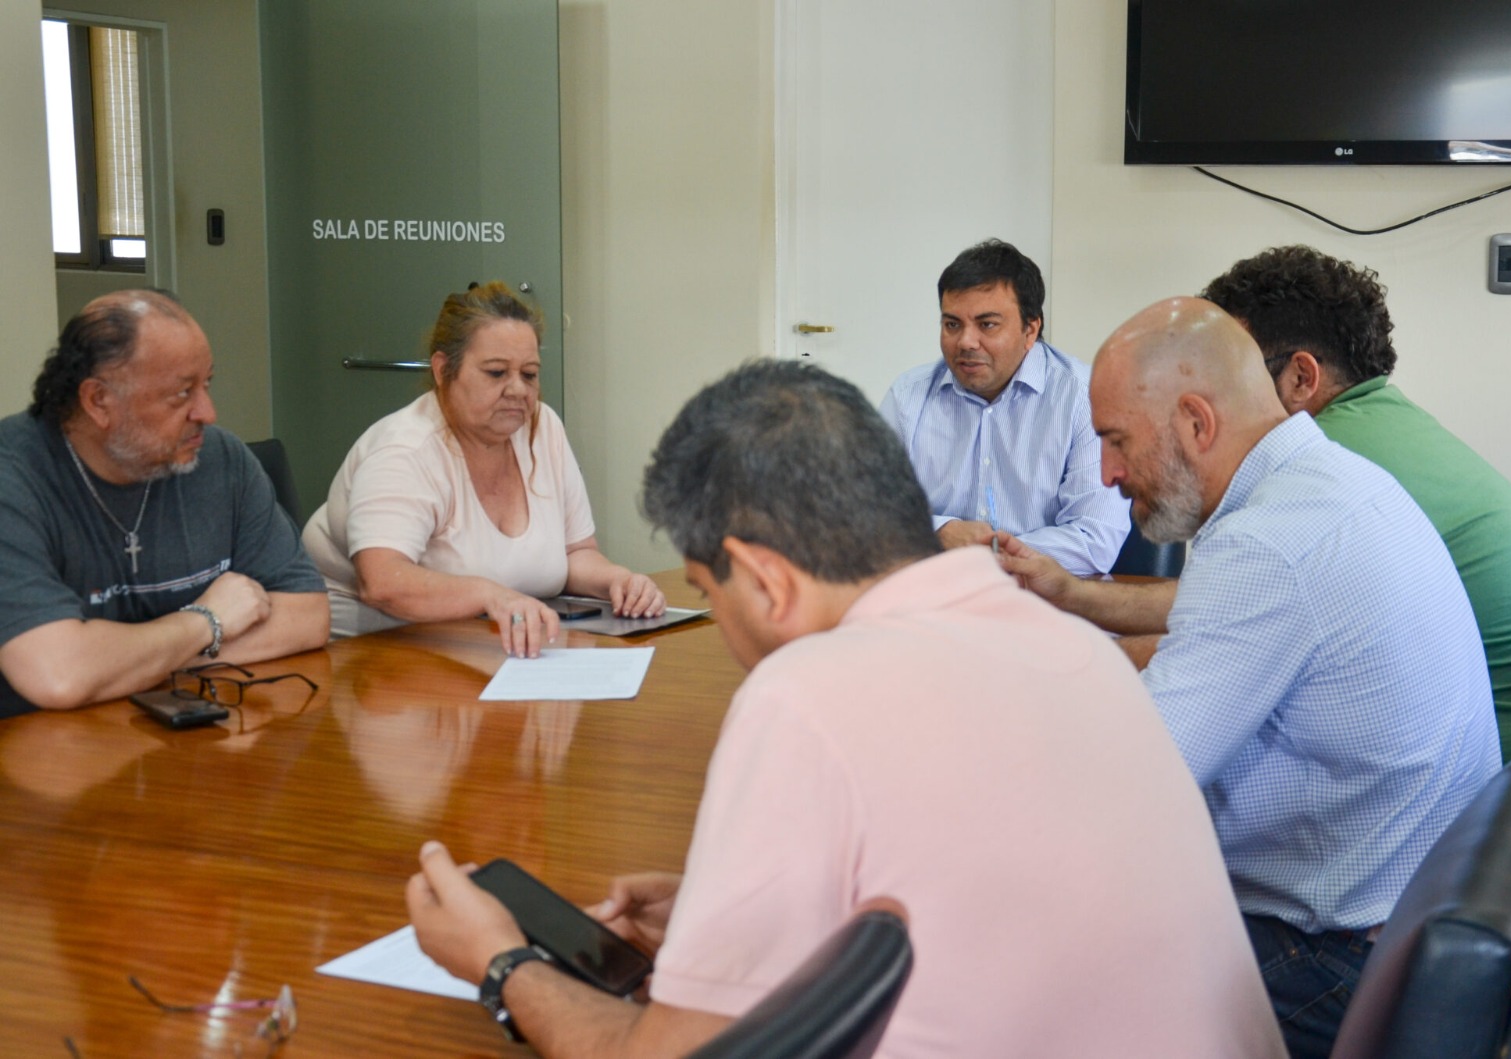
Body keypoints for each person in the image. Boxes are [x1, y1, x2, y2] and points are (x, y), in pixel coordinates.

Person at [405, 360, 1286, 1058]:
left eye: (710, 592)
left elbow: (664, 1054)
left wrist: (500, 960)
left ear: (765, 580)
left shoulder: (805, 696)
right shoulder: (1072, 644)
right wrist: (736, 917)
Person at [1001, 298, 1501, 1059]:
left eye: (1115, 440)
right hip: (1412, 916)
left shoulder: (1268, 543)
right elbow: (1199, 651)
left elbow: (1122, 789)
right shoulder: (1334, 482)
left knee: (1018, 959)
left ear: (1196, 423)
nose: (1107, 473)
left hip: (1341, 962)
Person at [1201, 245, 1511, 781]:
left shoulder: (1320, 464)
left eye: (1227, 373)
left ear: (1300, 378)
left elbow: (1225, 631)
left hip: (1501, 793)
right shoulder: (1389, 425)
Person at [0, 291, 330, 719]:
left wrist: (126, 663)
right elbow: (58, 674)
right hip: (37, 747)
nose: (207, 412)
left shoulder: (222, 459)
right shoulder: (14, 479)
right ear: (98, 401)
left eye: (207, 384)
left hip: (188, 735)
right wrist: (206, 620)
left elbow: (306, 616)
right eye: (181, 393)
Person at [302, 282, 664, 655]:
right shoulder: (405, 450)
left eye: (529, 374)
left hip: (484, 647)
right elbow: (382, 583)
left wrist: (619, 582)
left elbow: (575, 554)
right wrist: (492, 596)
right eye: (496, 373)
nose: (518, 390)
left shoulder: (543, 428)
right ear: (443, 370)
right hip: (368, 653)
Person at [879, 238, 1130, 574]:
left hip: (1045, 595)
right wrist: (939, 532)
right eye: (952, 324)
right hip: (935, 591)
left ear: (1030, 329)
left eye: (987, 325)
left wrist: (987, 554)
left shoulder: (1085, 397)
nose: (966, 342)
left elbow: (1093, 541)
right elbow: (863, 511)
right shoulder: (908, 397)